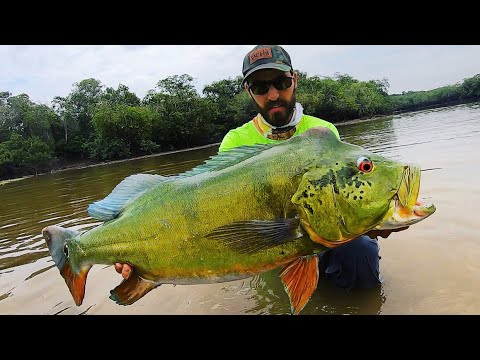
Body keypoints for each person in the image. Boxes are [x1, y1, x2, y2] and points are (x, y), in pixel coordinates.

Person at [115, 45, 407, 291]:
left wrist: (373, 220)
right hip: (265, 251)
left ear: (294, 79)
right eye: (260, 87)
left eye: (280, 82)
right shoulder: (235, 142)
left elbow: (342, 202)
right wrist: (145, 254)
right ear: (249, 91)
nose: (273, 95)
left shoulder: (324, 132)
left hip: (321, 239)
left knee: (360, 252)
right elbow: (209, 218)